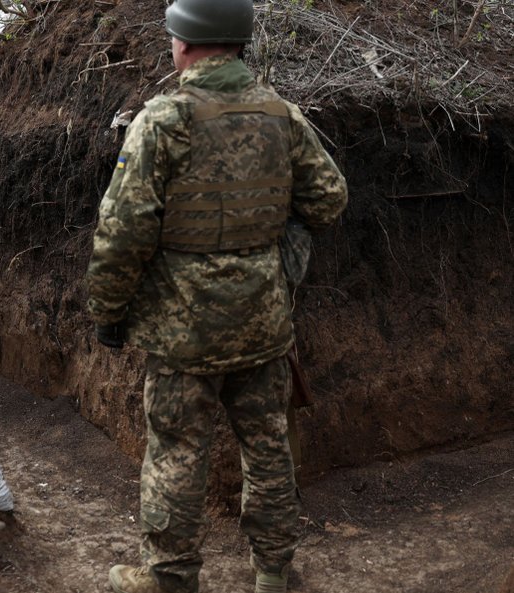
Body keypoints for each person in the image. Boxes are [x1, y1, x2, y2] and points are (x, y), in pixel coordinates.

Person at [85, 1, 348, 592]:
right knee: (268, 447)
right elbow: (329, 199)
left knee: (178, 452)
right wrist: (279, 255)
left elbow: (123, 230)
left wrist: (109, 311)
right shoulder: (280, 114)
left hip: (184, 335)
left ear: (184, 43)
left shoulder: (162, 119)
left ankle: (172, 579)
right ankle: (274, 573)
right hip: (263, 323)